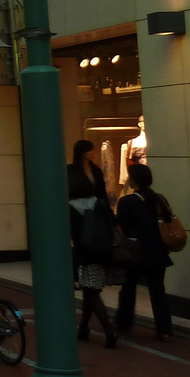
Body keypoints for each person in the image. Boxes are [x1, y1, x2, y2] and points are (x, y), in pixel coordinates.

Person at [116, 162, 174, 340]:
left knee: (128, 288)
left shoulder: (127, 202)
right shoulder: (159, 199)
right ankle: (164, 330)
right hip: (158, 251)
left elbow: (121, 227)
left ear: (134, 179)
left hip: (135, 252)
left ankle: (123, 324)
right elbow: (168, 219)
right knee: (158, 291)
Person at [68, 140, 117, 348]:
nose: (93, 153)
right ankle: (95, 329)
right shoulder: (73, 173)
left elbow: (103, 198)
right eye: (90, 150)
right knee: (91, 289)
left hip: (88, 239)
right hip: (93, 239)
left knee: (90, 289)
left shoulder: (94, 172)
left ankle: (95, 329)